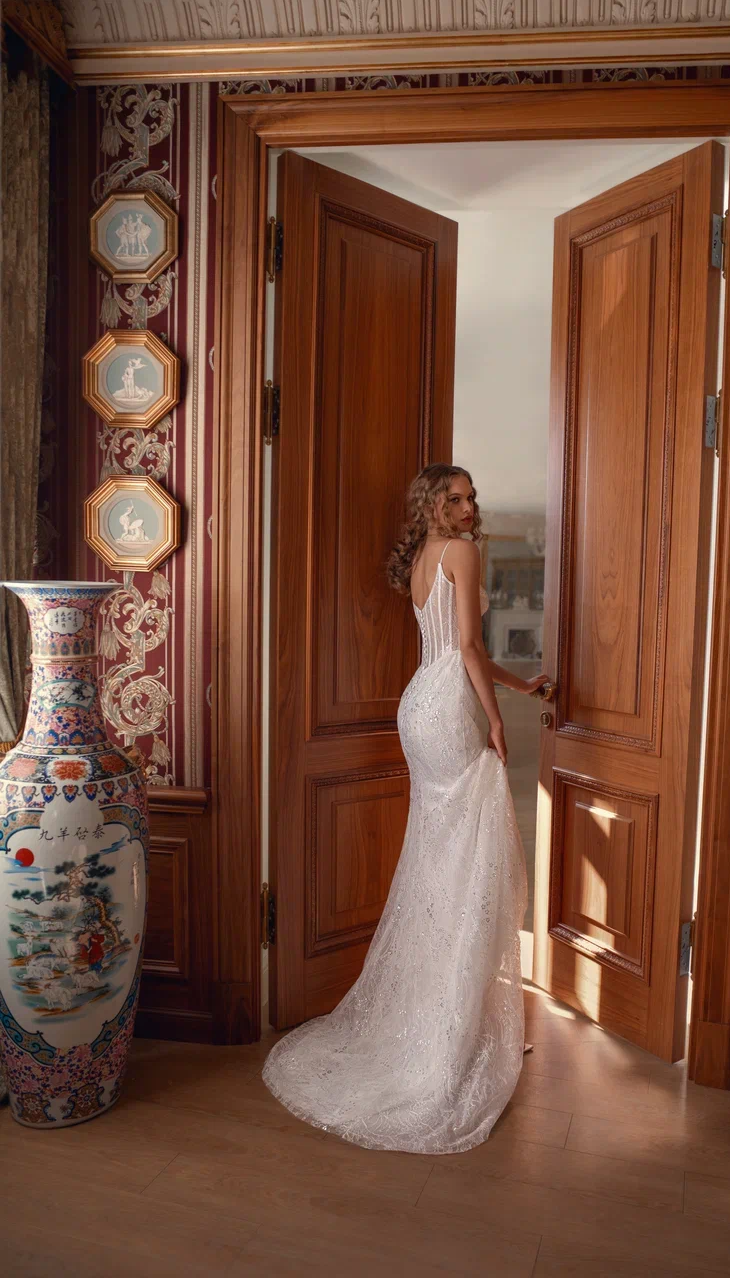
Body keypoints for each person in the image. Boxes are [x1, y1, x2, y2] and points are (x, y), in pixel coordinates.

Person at [262, 463, 549, 1154]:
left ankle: (455, 1017)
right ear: (433, 503)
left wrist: (521, 687)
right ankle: (457, 1028)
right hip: (448, 711)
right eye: (456, 496)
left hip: (419, 703)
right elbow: (469, 648)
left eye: (472, 496)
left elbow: (455, 651)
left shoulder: (426, 554)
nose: (469, 505)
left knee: (440, 859)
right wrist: (498, 718)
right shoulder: (462, 552)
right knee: (466, 862)